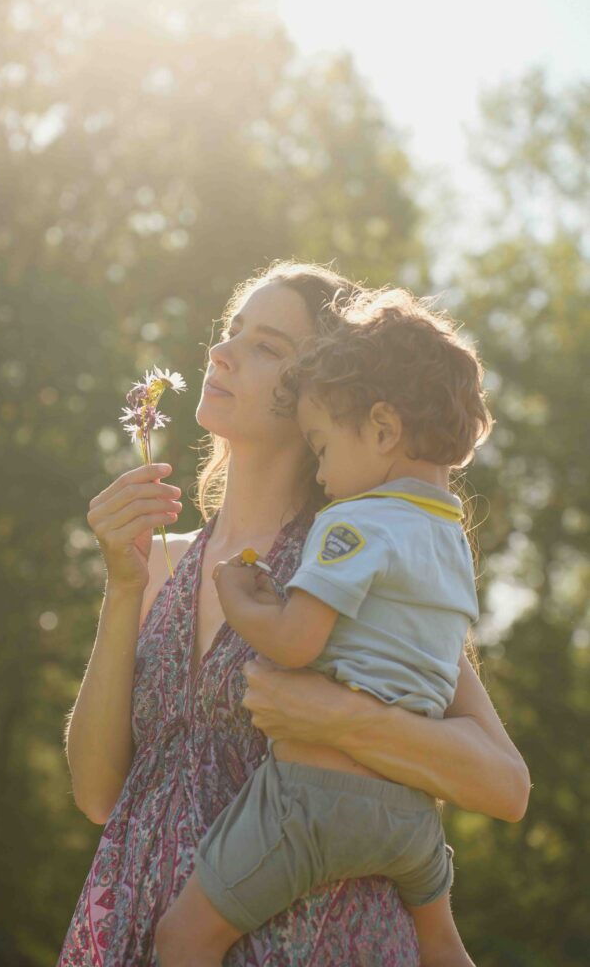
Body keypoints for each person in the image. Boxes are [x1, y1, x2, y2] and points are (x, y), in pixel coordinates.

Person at [57, 261, 530, 967]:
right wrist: (122, 588)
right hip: (130, 925)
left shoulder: (357, 561)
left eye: (266, 347)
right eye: (231, 332)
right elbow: (99, 796)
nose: (221, 353)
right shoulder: (160, 560)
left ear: (323, 389)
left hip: (322, 945)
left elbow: (504, 783)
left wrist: (342, 720)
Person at [155, 286, 495, 966]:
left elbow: (294, 640)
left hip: (314, 801)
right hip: (409, 819)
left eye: (320, 445)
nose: (320, 469)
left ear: (380, 429)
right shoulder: (448, 540)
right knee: (442, 943)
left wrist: (243, 598)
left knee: (180, 940)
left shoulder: (349, 525)